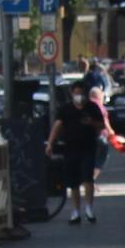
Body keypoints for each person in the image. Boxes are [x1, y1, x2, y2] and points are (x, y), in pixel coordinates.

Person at [45, 80, 106, 224]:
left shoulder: (92, 107)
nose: (80, 96)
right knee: (73, 182)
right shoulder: (66, 109)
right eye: (77, 93)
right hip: (71, 148)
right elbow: (57, 126)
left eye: (82, 93)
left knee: (87, 178)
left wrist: (92, 122)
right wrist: (50, 143)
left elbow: (102, 124)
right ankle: (75, 211)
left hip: (88, 147)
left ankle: (89, 209)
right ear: (72, 93)